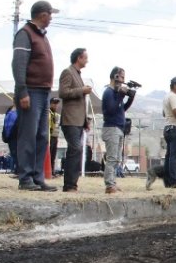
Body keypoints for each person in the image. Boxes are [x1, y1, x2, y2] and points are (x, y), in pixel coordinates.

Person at [12, 0, 60, 192]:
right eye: (50, 14)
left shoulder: (42, 36)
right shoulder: (25, 34)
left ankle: (37, 177)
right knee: (28, 136)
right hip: (31, 91)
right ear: (42, 15)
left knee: (42, 136)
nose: (51, 18)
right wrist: (22, 91)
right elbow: (19, 63)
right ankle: (25, 178)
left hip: (43, 92)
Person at [57, 47, 93, 192]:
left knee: (76, 151)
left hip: (78, 121)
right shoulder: (68, 72)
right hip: (70, 120)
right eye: (85, 57)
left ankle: (72, 184)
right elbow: (63, 92)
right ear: (79, 58)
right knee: (75, 149)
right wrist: (82, 90)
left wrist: (85, 121)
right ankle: (69, 184)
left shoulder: (78, 74)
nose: (87, 60)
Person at [150, 76, 176, 190]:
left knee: (169, 157)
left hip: (169, 128)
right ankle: (175, 181)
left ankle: (168, 181)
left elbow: (164, 113)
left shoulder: (166, 97)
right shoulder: (173, 97)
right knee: (175, 157)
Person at [101, 66, 135, 194]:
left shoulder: (116, 93)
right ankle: (109, 184)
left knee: (116, 158)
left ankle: (112, 182)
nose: (122, 80)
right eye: (120, 77)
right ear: (114, 76)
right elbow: (110, 110)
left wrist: (130, 97)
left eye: (123, 78)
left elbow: (122, 109)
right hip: (111, 127)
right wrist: (121, 96)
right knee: (112, 158)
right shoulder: (109, 92)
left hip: (119, 128)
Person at [2, 105, 18, 172]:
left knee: (17, 154)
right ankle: (17, 170)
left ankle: (18, 171)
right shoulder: (10, 109)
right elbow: (5, 123)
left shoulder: (20, 110)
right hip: (9, 137)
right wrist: (4, 134)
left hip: (16, 136)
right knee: (13, 153)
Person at [48, 97, 61, 176]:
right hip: (49, 136)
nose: (55, 105)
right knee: (49, 154)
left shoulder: (57, 115)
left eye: (56, 104)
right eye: (54, 103)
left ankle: (52, 171)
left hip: (55, 136)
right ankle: (49, 171)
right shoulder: (48, 113)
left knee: (53, 155)